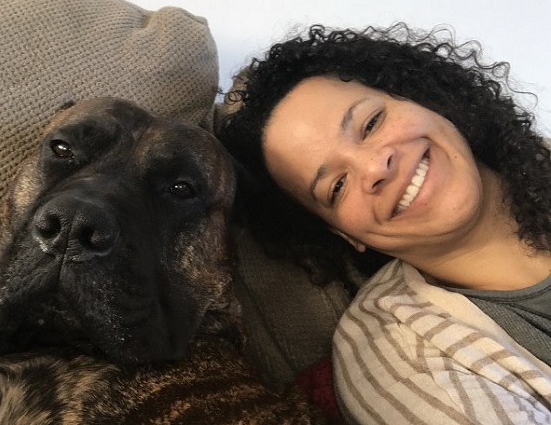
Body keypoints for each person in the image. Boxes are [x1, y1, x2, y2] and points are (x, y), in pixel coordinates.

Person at [218, 23, 551, 424]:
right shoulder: (402, 356)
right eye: (337, 186)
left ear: (426, 100)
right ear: (343, 234)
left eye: (371, 123)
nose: (376, 166)